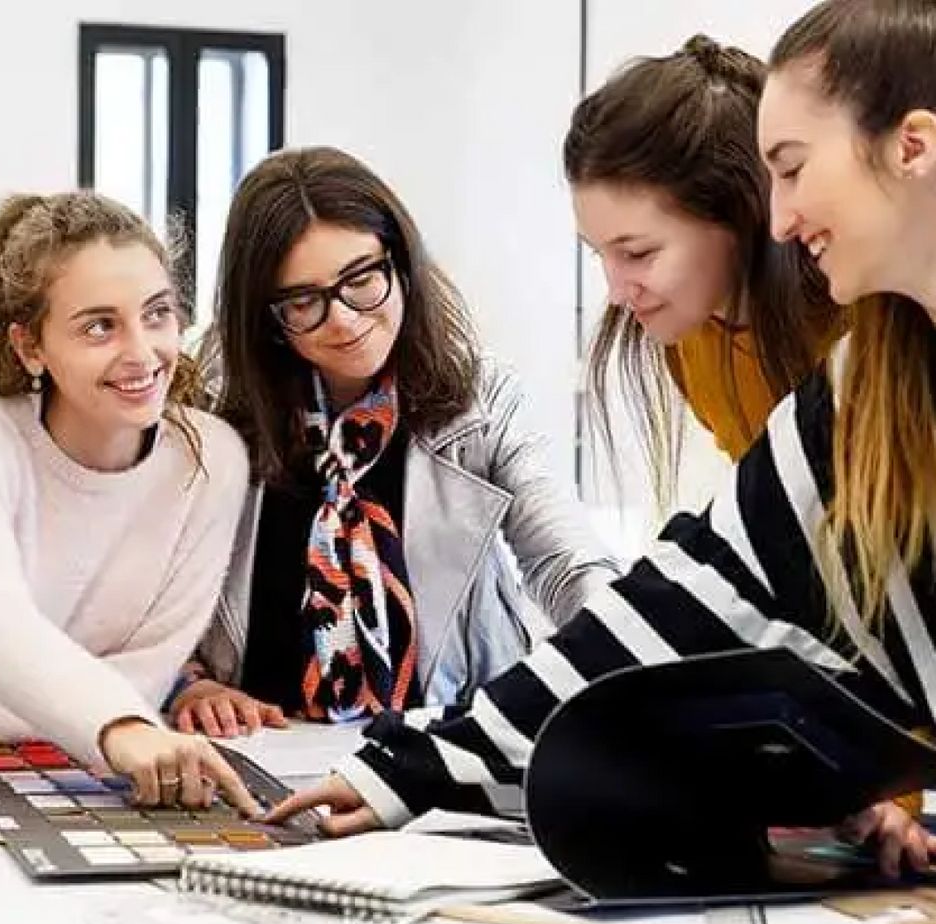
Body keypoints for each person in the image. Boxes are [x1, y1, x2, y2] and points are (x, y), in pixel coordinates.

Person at [270, 0, 936, 877]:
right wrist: (424, 763)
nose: (781, 218)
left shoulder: (839, 355)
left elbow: (629, 581)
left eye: (793, 168)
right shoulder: (858, 381)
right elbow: (700, 588)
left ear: (913, 147)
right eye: (300, 301)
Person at [169, 146, 620, 738]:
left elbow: (567, 565)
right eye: (303, 301)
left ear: (399, 262)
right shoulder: (210, 412)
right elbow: (143, 590)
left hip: (440, 750)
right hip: (260, 754)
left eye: (361, 279)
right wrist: (188, 682)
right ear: (265, 316)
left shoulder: (482, 401)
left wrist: (629, 668)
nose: (344, 319)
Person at [0, 192, 257, 813]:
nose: (142, 353)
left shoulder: (212, 459)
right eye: (99, 326)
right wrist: (121, 724)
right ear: (31, 347)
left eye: (157, 313)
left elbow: (146, 673)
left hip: (84, 767)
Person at [569, 33, 849, 511]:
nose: (616, 293)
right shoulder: (687, 333)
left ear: (740, 214)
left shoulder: (857, 327)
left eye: (638, 253)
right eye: (599, 255)